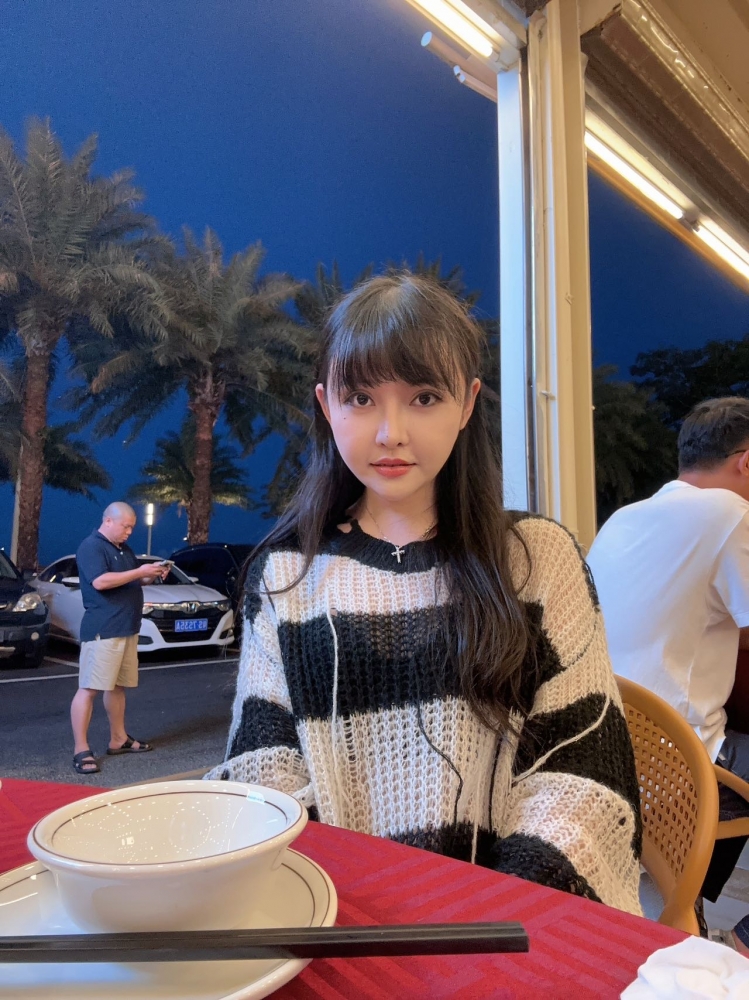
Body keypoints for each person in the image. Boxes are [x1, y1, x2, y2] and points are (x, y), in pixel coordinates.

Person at [206, 272, 643, 914]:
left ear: (466, 405)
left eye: (424, 397)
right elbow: (263, 767)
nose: (391, 432)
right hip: (341, 914)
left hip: (505, 925)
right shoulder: (285, 574)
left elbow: (580, 768)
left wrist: (491, 910)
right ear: (326, 405)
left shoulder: (537, 559)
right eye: (360, 398)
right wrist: (360, 907)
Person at [587, 396, 749, 950]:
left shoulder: (624, 518)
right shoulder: (731, 514)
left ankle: (693, 911)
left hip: (615, 747)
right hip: (679, 762)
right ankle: (743, 943)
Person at [70, 502, 168, 775]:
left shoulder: (124, 549)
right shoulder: (92, 546)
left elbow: (131, 580)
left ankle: (118, 739)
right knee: (89, 688)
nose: (129, 532)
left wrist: (151, 574)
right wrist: (140, 571)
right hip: (104, 630)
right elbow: (101, 581)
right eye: (125, 526)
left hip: (127, 628)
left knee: (117, 687)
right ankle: (81, 749)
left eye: (132, 527)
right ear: (108, 521)